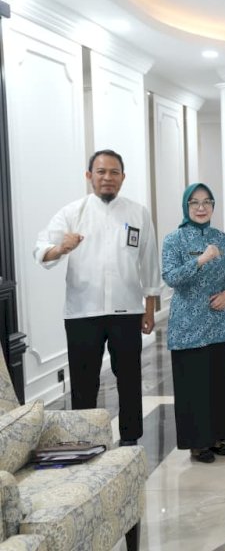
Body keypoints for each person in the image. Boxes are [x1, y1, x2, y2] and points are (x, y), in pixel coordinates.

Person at [33, 149, 160, 446]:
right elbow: (41, 250)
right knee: (84, 382)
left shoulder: (138, 213)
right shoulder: (72, 213)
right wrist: (60, 248)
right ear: (89, 176)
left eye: (114, 172)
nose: (107, 178)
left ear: (123, 177)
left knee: (129, 378)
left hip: (127, 309)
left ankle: (130, 439)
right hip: (82, 312)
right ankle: (85, 440)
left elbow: (149, 261)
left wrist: (149, 308)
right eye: (101, 172)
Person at [162, 183, 225, 463]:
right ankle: (198, 444)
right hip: (188, 326)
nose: (201, 207)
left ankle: (217, 437)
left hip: (219, 322)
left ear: (213, 206)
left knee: (218, 383)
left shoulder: (224, 239)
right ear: (186, 206)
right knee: (193, 386)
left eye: (207, 202)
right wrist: (201, 260)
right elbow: (170, 277)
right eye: (194, 202)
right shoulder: (174, 240)